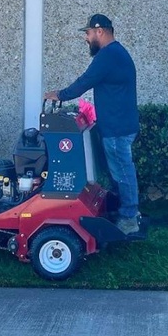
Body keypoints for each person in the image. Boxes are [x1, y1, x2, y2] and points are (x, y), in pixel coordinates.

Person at [43, 13, 141, 234]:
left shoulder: (108, 56)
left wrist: (60, 95)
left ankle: (129, 219)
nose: (86, 38)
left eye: (87, 33)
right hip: (120, 125)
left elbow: (84, 82)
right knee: (120, 172)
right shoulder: (117, 53)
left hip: (117, 128)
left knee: (123, 173)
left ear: (100, 31)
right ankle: (128, 212)